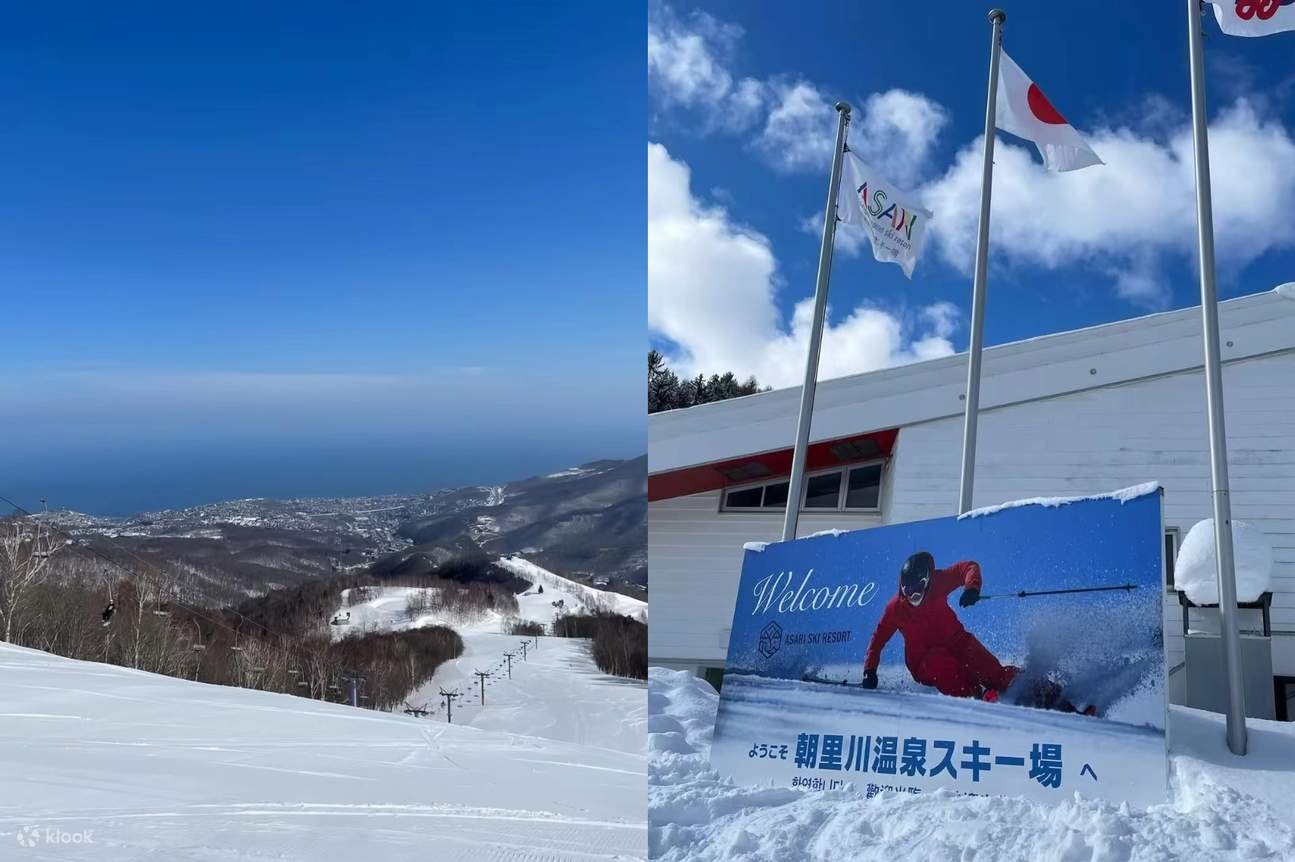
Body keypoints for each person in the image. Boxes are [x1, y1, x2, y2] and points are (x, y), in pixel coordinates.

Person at [861, 551, 1017, 700]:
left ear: (928, 579)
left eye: (918, 588)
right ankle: (973, 696)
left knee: (992, 673)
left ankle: (1023, 683)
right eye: (908, 589)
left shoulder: (938, 582)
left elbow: (968, 567)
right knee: (939, 662)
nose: (913, 595)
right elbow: (878, 639)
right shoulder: (895, 608)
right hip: (925, 660)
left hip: (958, 643)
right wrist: (870, 670)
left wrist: (972, 588)